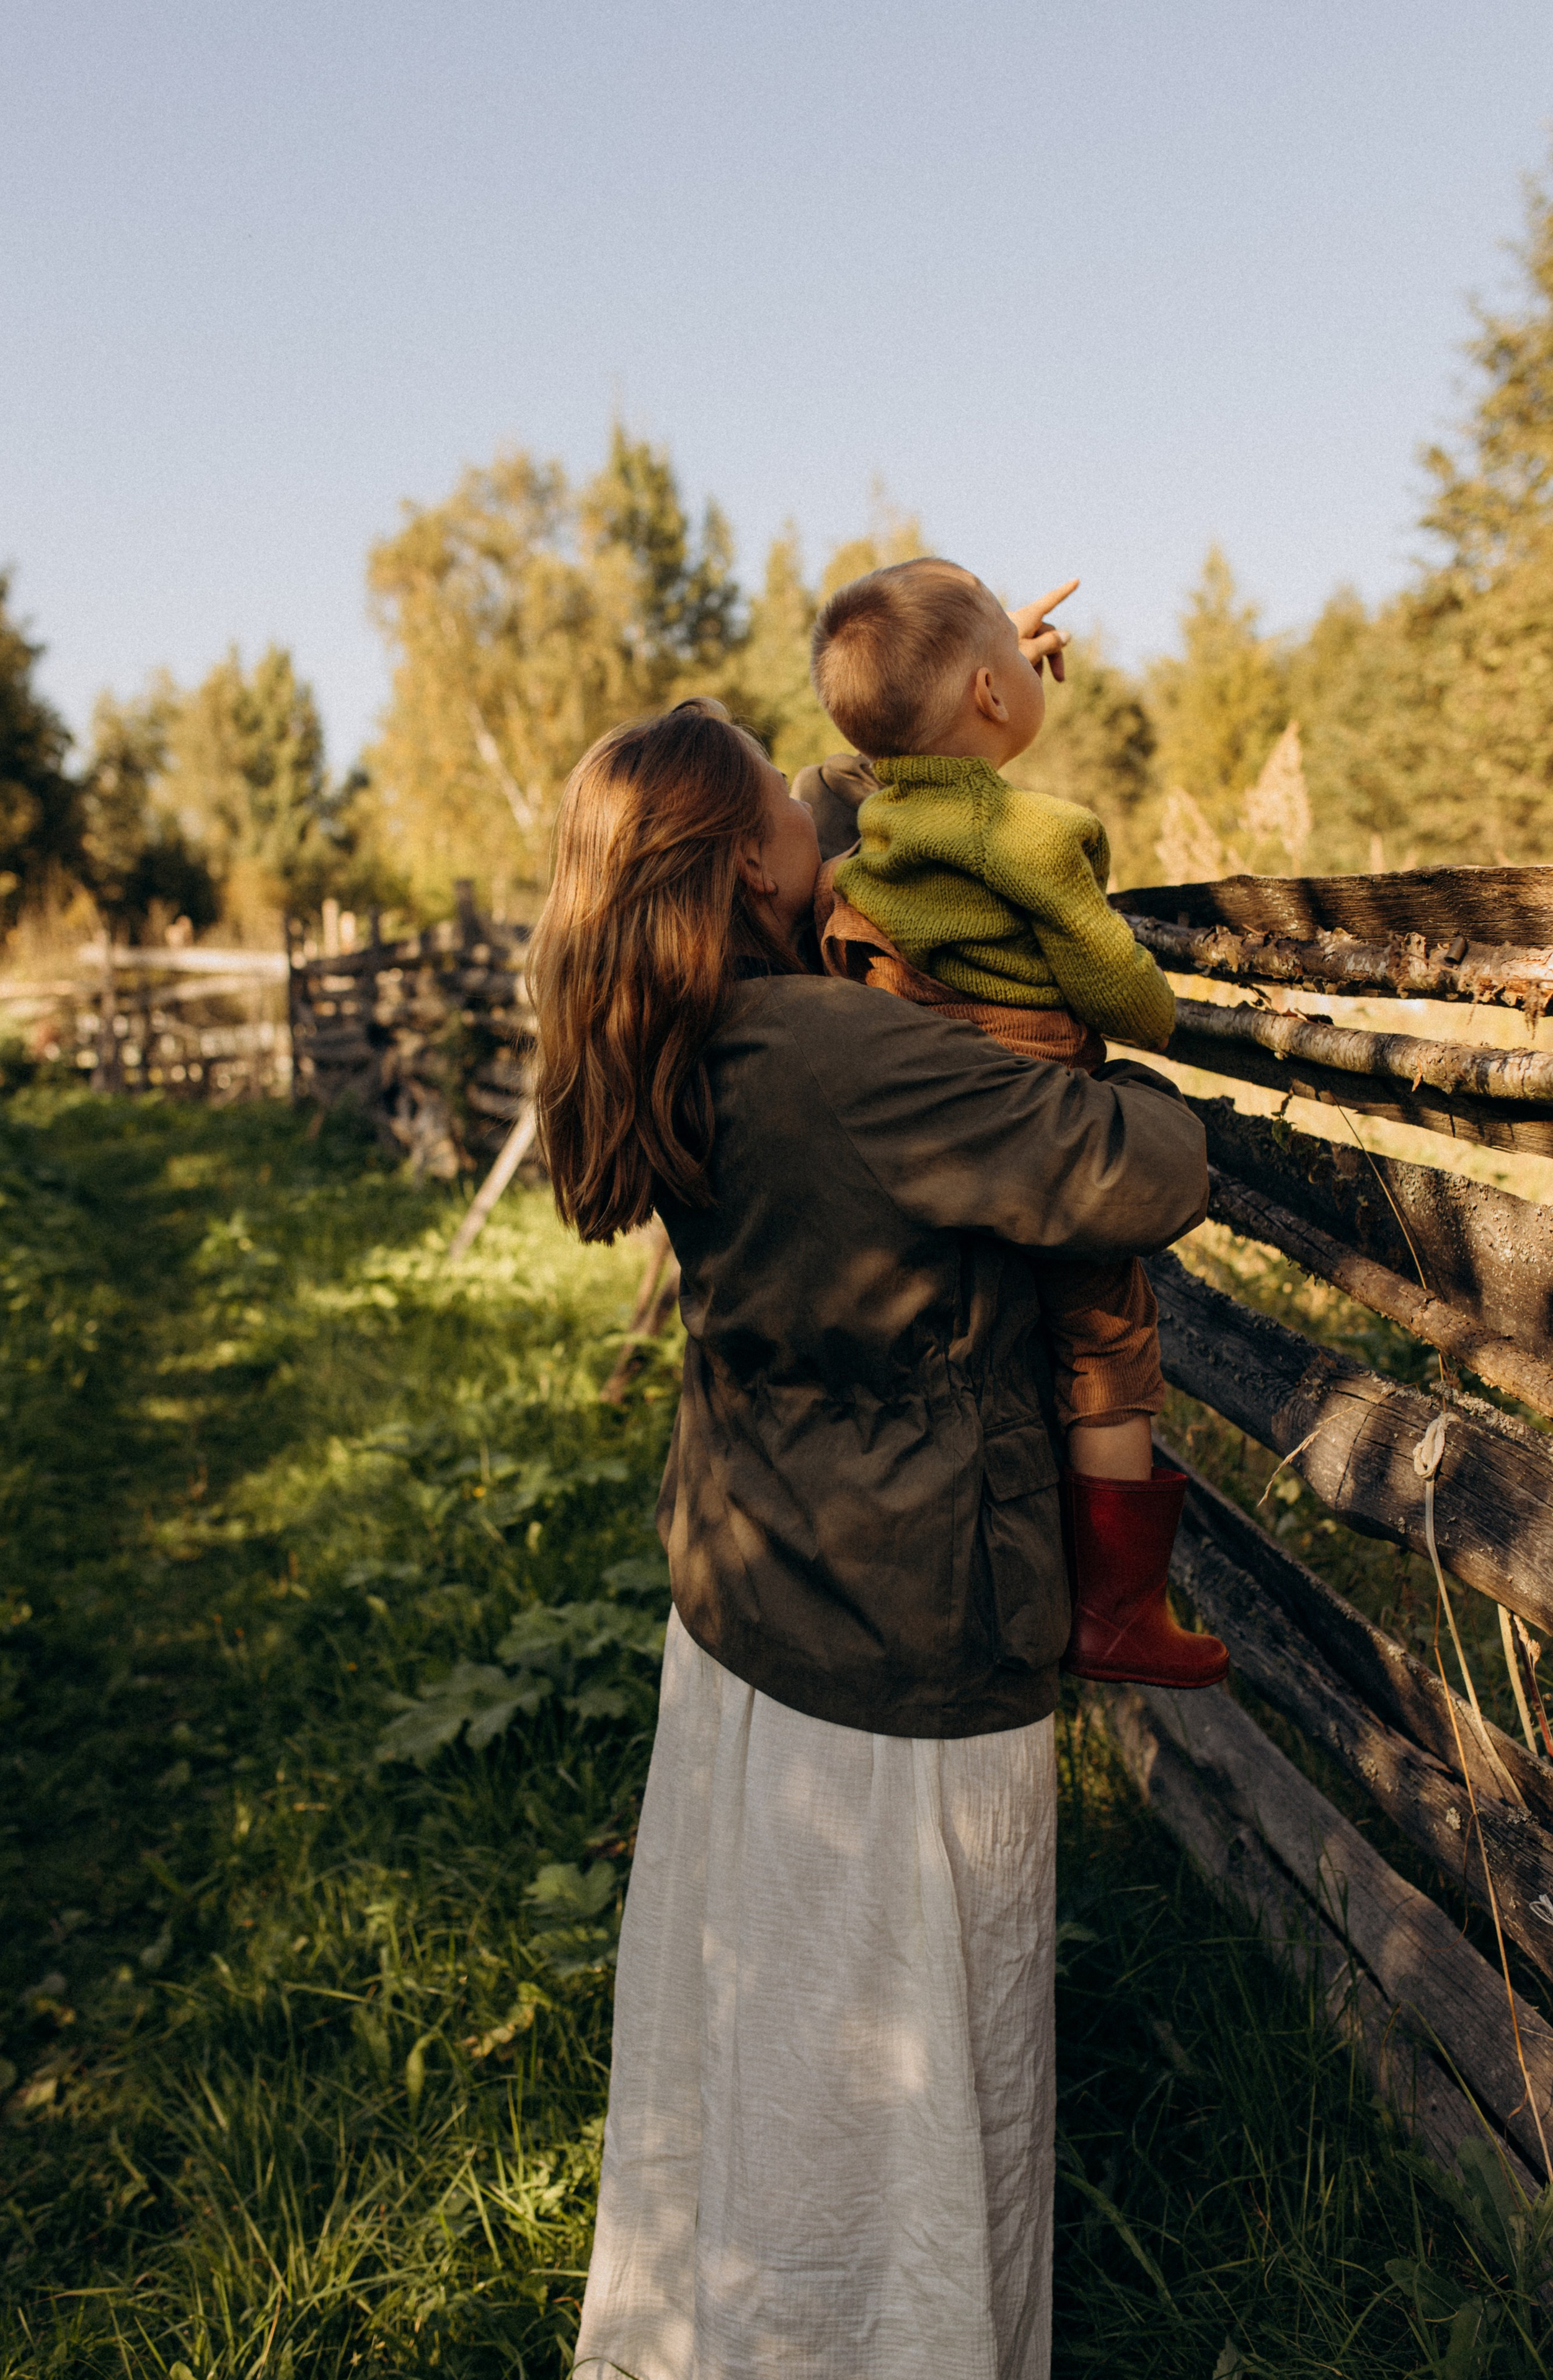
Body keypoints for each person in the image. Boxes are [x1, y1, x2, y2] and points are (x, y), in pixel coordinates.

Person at [531, 695, 1208, 2379]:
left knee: (759, 2008)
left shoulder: (679, 1026)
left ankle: (738, 2321)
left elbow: (835, 794)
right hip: (908, 1613)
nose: (808, 808)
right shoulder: (850, 1057)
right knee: (903, 2040)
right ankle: (885, 2342)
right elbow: (1142, 1173)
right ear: (751, 866)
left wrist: (949, 701)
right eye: (783, 799)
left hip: (747, 1584)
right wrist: (1075, 1050)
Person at [808, 557, 1228, 1691]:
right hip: (1037, 1114)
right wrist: (1162, 1007)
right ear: (996, 698)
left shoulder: (874, 829)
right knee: (1106, 1341)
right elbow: (1126, 998)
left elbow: (904, 716)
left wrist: (984, 648)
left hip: (925, 1127)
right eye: (1007, 661)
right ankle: (1120, 1613)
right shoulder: (1034, 835)